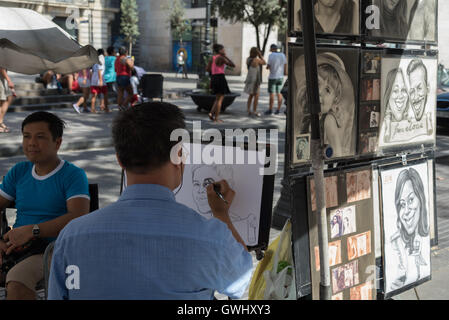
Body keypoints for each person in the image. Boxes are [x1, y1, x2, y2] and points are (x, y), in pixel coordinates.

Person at [48, 102, 252, 300]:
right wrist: (222, 215)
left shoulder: (72, 236)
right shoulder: (210, 238)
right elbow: (240, 282)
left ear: (119, 160)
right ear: (178, 156)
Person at [0, 111, 90, 300]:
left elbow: (78, 217)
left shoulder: (72, 175)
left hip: (54, 249)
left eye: (40, 137)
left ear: (57, 143)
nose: (31, 143)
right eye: (26, 136)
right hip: (15, 246)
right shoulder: (19, 171)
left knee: (17, 282)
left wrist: (33, 230)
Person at [390, 168, 430, 291]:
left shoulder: (424, 238)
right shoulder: (396, 243)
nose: (406, 211)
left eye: (411, 200)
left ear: (421, 199)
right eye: (402, 204)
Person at [207, 44, 235, 123]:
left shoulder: (212, 58)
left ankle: (211, 113)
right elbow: (233, 65)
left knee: (217, 98)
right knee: (220, 99)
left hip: (214, 77)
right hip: (220, 78)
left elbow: (207, 69)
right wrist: (226, 56)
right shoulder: (221, 58)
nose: (224, 51)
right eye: (223, 49)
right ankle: (216, 118)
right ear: (220, 51)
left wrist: (214, 71)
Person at [244, 47, 266, 117]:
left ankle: (248, 110)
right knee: (256, 96)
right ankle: (255, 111)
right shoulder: (256, 60)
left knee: (250, 95)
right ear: (256, 53)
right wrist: (260, 55)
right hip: (255, 79)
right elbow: (264, 62)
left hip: (250, 78)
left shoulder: (248, 59)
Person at [265, 44, 287, 115]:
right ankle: (278, 109)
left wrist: (268, 67)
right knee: (279, 93)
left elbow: (268, 66)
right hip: (280, 77)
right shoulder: (282, 55)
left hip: (272, 77)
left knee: (272, 94)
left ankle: (270, 109)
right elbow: (285, 65)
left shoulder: (271, 55)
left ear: (272, 49)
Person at [115, 46, 134, 111]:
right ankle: (124, 105)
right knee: (131, 93)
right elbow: (131, 67)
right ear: (126, 52)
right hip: (124, 77)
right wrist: (132, 61)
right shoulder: (124, 59)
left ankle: (119, 107)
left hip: (118, 76)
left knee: (120, 93)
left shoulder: (117, 59)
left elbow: (115, 69)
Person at [90, 49, 109, 113]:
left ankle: (92, 109)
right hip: (100, 79)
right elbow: (99, 70)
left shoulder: (95, 59)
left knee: (94, 95)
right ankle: (106, 108)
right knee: (105, 94)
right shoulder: (101, 58)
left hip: (94, 79)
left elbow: (93, 70)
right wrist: (100, 80)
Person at [0, 68, 15, 133]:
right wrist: (9, 80)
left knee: (9, 97)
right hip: (1, 79)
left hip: (2, 78)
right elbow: (1, 66)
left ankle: (0, 122)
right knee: (1, 101)